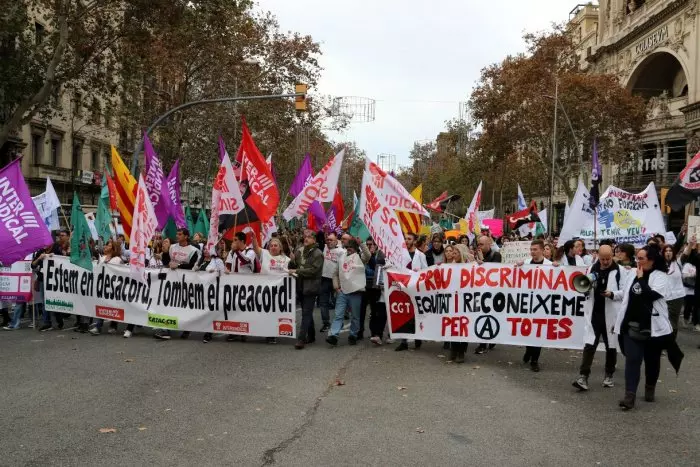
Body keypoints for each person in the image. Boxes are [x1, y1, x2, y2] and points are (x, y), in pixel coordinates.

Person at [614, 244, 675, 410]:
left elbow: (651, 296)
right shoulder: (632, 273)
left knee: (652, 361)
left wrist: (641, 279)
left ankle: (650, 386)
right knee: (632, 360)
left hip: (653, 328)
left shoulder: (661, 276)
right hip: (631, 325)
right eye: (636, 258)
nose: (637, 261)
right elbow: (625, 293)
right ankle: (629, 395)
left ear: (652, 261)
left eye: (641, 258)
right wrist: (612, 294)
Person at [572, 245, 623, 391]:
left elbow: (625, 291)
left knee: (611, 346)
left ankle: (609, 375)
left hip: (611, 314)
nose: (605, 262)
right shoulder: (591, 269)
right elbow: (584, 289)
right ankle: (583, 376)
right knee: (589, 345)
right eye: (602, 259)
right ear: (598, 256)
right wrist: (586, 288)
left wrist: (612, 294)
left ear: (612, 256)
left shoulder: (619, 271)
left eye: (608, 259)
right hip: (594, 314)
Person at [154, 228, 200, 340]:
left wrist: (178, 266)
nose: (177, 236)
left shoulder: (194, 250)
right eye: (177, 234)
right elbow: (167, 263)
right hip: (172, 281)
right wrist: (164, 253)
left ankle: (186, 329)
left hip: (186, 282)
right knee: (169, 304)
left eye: (180, 234)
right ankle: (166, 330)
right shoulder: (172, 247)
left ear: (186, 236)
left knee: (185, 305)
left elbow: (192, 266)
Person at [326, 239, 370, 346]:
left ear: (355, 248)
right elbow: (335, 273)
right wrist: (336, 287)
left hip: (356, 292)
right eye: (347, 247)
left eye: (352, 247)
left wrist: (361, 243)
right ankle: (334, 335)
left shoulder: (360, 258)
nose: (349, 249)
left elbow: (368, 255)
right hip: (343, 292)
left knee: (355, 316)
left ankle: (353, 335)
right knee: (338, 314)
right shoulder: (342, 258)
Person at [516, 239, 552, 372]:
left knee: (538, 331)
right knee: (527, 329)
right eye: (531, 250)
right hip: (527, 303)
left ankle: (535, 360)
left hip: (542, 304)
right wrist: (517, 266)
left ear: (542, 250)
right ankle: (528, 350)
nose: (532, 252)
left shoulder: (549, 265)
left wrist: (558, 268)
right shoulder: (525, 263)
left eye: (535, 249)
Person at [288, 229, 324, 350]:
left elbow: (314, 271)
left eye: (309, 237)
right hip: (300, 285)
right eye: (305, 237)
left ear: (314, 239)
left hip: (311, 287)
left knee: (306, 313)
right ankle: (312, 335)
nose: (306, 239)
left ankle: (301, 339)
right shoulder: (299, 251)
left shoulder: (318, 253)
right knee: (306, 311)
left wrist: (297, 270)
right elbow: (293, 266)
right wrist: (292, 260)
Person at [395, 232, 428, 351]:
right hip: (402, 288)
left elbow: (425, 272)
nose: (406, 240)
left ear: (414, 241)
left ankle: (418, 337)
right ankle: (403, 341)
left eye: (409, 239)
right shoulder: (399, 254)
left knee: (416, 314)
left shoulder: (420, 255)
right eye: (405, 238)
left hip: (415, 289)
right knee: (403, 314)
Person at [88, 240, 124, 335]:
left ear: (113, 248)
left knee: (114, 305)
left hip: (114, 287)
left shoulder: (117, 259)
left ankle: (113, 324)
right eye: (105, 245)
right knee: (102, 305)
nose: (105, 247)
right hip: (102, 286)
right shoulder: (102, 257)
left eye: (108, 245)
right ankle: (98, 327)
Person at [474, 235, 501, 354]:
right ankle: (482, 343)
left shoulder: (496, 255)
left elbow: (492, 271)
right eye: (478, 244)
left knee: (491, 317)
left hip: (492, 293)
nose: (479, 246)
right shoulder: (475, 255)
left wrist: (482, 261)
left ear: (489, 244)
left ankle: (492, 338)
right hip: (479, 292)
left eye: (482, 244)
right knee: (481, 317)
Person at [319, 232, 344, 333]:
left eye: (331, 240)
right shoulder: (325, 248)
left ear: (336, 241)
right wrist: (325, 230)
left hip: (336, 280)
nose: (329, 242)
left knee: (338, 302)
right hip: (324, 279)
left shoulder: (341, 251)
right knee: (323, 302)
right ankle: (326, 323)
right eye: (328, 240)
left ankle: (339, 321)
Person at [662, 244, 684, 337]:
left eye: (670, 251)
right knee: (663, 320)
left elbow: (686, 252)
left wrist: (690, 244)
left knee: (673, 321)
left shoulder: (678, 262)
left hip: (676, 297)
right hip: (663, 296)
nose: (668, 253)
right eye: (666, 251)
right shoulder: (658, 264)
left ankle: (671, 344)